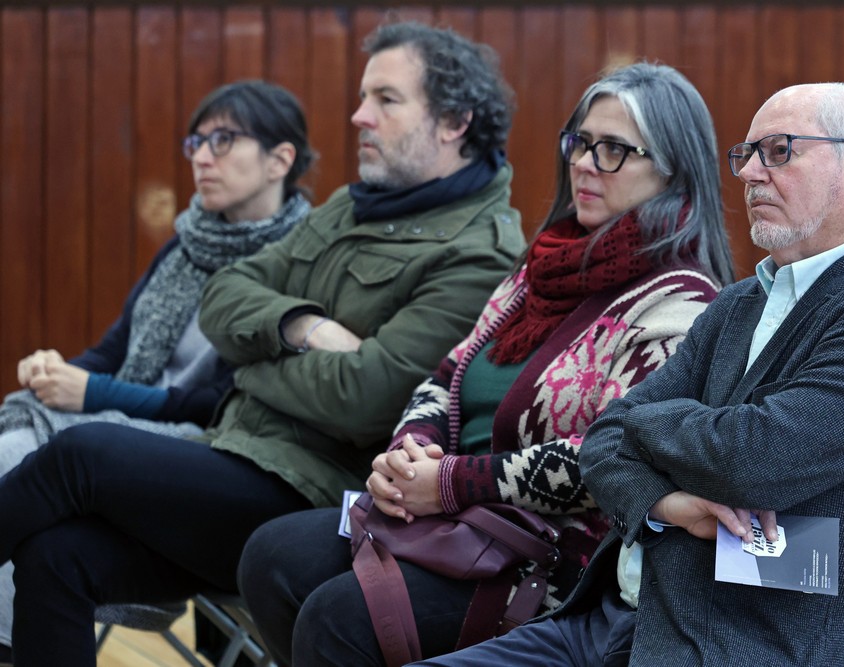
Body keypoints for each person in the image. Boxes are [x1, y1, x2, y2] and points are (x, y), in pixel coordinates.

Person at [0, 21, 524, 666]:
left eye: (386, 100)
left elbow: (365, 399)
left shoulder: (477, 254)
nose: (359, 116)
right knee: (57, 556)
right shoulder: (352, 206)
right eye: (364, 97)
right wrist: (300, 328)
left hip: (311, 494)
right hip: (233, 454)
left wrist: (249, 371)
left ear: (454, 122)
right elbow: (226, 291)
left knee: (77, 453)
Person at [405, 83, 844, 666]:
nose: (749, 174)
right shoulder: (742, 302)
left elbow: (753, 459)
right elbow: (603, 441)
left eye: (779, 152)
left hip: (745, 645)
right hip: (619, 616)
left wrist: (651, 422)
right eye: (746, 155)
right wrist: (667, 503)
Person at [238, 61, 736, 667]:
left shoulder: (682, 304)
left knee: (338, 619)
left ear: (673, 171)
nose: (582, 162)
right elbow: (448, 374)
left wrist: (448, 483)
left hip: (554, 559)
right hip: (453, 516)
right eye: (579, 141)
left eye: (613, 150)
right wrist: (409, 453)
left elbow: (615, 458)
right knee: (270, 556)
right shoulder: (543, 266)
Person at [0, 79, 316, 662]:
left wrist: (94, 391)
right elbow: (113, 351)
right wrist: (58, 372)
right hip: (126, 433)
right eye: (196, 140)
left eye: (223, 140)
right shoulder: (184, 245)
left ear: (281, 158)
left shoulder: (301, 262)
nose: (200, 156)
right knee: (20, 438)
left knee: (23, 453)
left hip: (214, 450)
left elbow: (230, 401)